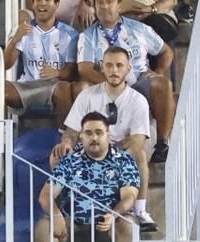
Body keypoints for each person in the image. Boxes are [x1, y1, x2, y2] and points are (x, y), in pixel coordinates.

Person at [34, 111, 139, 242]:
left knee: (127, 223)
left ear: (108, 135)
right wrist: (56, 215)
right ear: (81, 136)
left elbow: (129, 197)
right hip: (71, 226)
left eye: (99, 132)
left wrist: (114, 214)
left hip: (107, 226)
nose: (94, 137)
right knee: (42, 227)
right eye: (88, 133)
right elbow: (45, 195)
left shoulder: (123, 160)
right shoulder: (70, 161)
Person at [61, 46, 152, 231]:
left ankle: (140, 210)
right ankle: (63, 208)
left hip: (120, 153)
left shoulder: (138, 100)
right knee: (58, 153)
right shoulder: (87, 95)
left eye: (119, 65)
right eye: (109, 65)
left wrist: (111, 157)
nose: (114, 70)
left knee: (140, 154)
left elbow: (137, 140)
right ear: (102, 68)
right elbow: (71, 130)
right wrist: (67, 143)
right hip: (89, 151)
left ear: (128, 69)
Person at [75, 0, 174, 164]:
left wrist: (159, 72)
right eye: (100, 3)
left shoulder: (139, 29)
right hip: (107, 85)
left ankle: (162, 145)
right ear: (95, 7)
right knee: (83, 88)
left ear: (119, 5)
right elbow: (84, 69)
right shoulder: (87, 36)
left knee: (162, 84)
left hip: (139, 80)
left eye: (109, 2)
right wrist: (115, 85)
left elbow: (166, 52)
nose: (105, 7)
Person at [3, 0, 78, 118]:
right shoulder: (23, 30)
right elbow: (6, 64)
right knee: (1, 90)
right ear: (33, 4)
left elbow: (72, 71)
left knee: (64, 89)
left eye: (48, 0)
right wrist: (15, 40)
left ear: (57, 4)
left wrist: (58, 72)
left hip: (54, 87)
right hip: (27, 86)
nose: (42, 3)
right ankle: (5, 132)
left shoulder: (70, 34)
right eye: (38, 0)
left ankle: (64, 134)